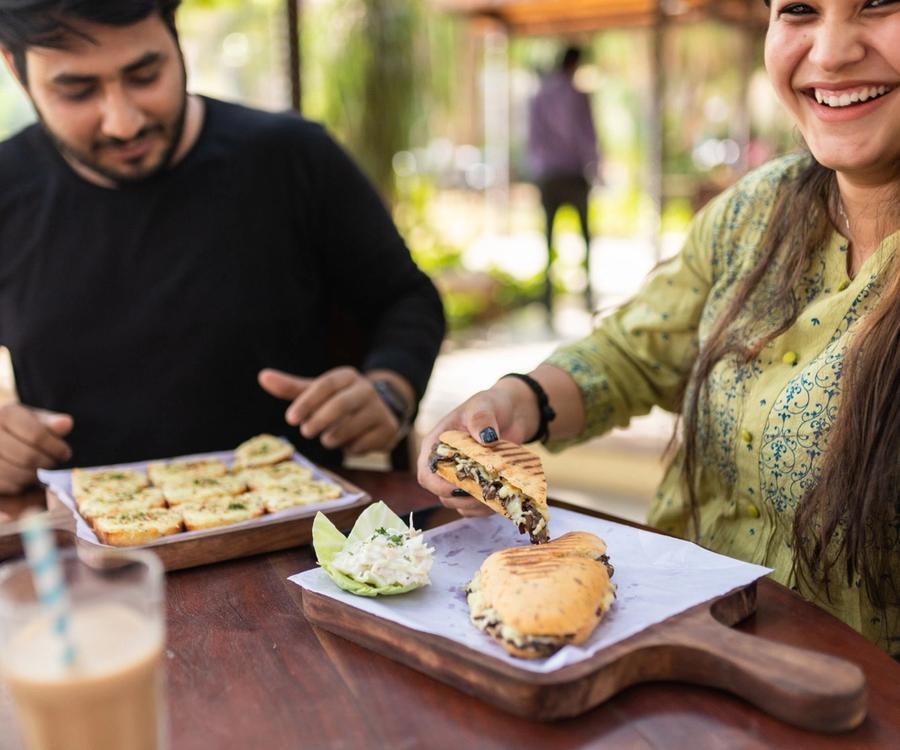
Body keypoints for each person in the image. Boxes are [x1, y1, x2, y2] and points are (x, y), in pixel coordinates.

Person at [420, 0, 899, 656]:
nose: (831, 51)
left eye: (879, 3)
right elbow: (630, 352)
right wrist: (514, 403)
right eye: (799, 9)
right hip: (675, 656)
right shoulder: (752, 213)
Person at [0, 0, 445, 494]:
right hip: (82, 547)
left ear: (175, 36)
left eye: (146, 75)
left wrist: (389, 388)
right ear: (15, 69)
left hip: (294, 529)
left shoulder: (292, 157)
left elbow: (406, 298)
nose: (123, 122)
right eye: (77, 91)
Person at [527, 46, 600, 319]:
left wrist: (539, 168)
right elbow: (587, 137)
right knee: (584, 237)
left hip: (548, 175)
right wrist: (594, 168)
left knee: (548, 238)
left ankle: (547, 299)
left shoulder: (538, 97)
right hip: (573, 174)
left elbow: (533, 140)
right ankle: (588, 295)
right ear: (574, 65)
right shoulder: (578, 97)